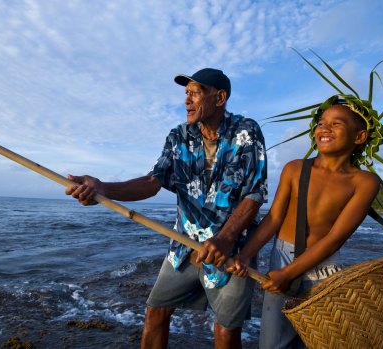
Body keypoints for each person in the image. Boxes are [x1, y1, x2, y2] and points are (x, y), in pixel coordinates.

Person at [65, 68, 268, 348]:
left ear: (219, 97)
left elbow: (254, 193)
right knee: (156, 311)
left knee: (226, 329)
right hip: (184, 245)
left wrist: (225, 237)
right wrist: (103, 189)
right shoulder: (178, 136)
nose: (187, 100)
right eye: (186, 93)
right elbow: (152, 181)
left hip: (230, 250)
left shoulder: (246, 131)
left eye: (195, 92)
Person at [227, 97, 380, 348]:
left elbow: (335, 238)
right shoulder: (295, 169)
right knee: (274, 342)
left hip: (325, 266)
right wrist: (245, 255)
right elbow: (274, 218)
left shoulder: (364, 182)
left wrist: (289, 274)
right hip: (284, 256)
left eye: (336, 124)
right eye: (321, 123)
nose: (324, 128)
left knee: (321, 338)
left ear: (360, 136)